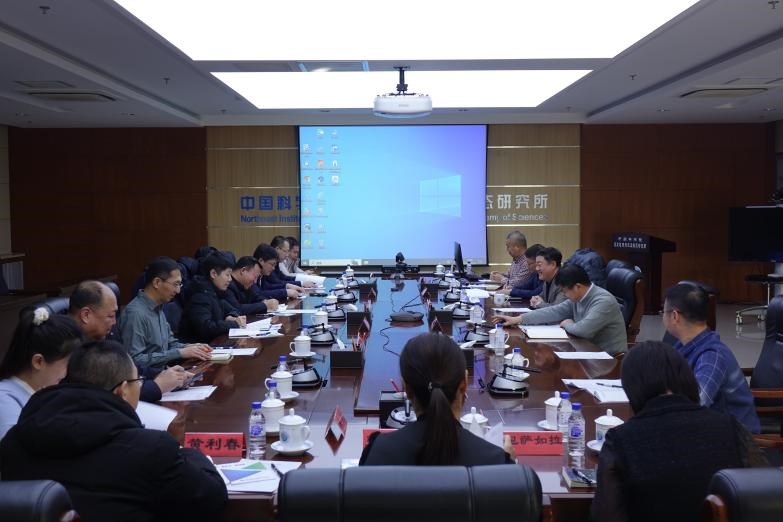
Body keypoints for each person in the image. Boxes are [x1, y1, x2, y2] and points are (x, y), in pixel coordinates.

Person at [0, 340, 227, 522]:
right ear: (122, 391)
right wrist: (185, 451)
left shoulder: (14, 441)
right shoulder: (150, 449)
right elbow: (211, 496)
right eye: (138, 381)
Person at [590, 341, 766, 522]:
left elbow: (605, 515)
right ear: (687, 378)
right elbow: (766, 491)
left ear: (632, 390)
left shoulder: (621, 440)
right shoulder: (731, 428)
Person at [360, 332, 514, 465]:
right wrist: (510, 464)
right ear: (464, 383)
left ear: (406, 388)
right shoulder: (496, 462)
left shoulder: (377, 454)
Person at [69, 280, 192, 402]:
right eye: (110, 316)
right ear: (86, 315)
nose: (114, 322)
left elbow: (126, 365)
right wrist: (157, 386)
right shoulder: (66, 349)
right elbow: (103, 395)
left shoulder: (99, 337)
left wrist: (165, 374)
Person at [663, 283, 760, 433]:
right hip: (710, 429)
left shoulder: (711, 357)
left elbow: (694, 406)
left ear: (674, 316)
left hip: (735, 439)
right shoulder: (684, 345)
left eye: (663, 312)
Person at [494, 264, 627, 355]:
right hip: (585, 351)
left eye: (565, 291)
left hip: (608, 359)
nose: (565, 295)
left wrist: (568, 324)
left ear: (577, 286)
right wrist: (517, 319)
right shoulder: (578, 297)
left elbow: (583, 331)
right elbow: (553, 312)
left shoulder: (603, 301)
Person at [0, 308, 83, 440]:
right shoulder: (4, 400)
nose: (69, 371)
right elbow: (13, 449)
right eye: (68, 363)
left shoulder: (44, 391)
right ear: (38, 361)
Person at [120, 256, 212, 367]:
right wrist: (180, 353)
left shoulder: (158, 307)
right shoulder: (135, 314)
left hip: (166, 371)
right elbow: (135, 360)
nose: (178, 291)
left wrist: (191, 348)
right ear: (157, 283)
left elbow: (169, 344)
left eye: (180, 285)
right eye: (175, 284)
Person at [180, 252, 245, 342]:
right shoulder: (200, 296)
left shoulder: (216, 292)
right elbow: (206, 328)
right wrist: (233, 323)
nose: (230, 279)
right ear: (213, 274)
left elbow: (234, 309)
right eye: (227, 275)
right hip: (199, 346)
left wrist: (231, 316)